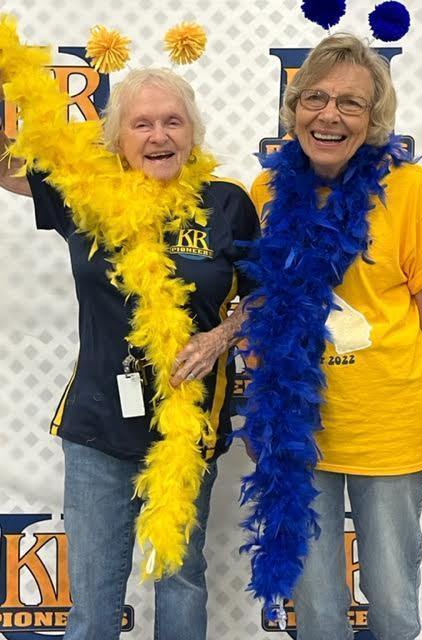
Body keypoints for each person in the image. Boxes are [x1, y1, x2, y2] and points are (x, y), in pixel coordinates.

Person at [0, 22, 259, 640]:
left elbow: (266, 296)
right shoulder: (85, 193)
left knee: (181, 580)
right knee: (92, 599)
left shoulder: (227, 203)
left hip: (187, 426)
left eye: (172, 121)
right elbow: (6, 166)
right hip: (97, 426)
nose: (158, 135)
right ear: (117, 138)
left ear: (192, 133)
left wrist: (221, 337)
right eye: (141, 124)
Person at [238, 33, 422, 640]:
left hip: (391, 424)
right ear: (294, 108)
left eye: (350, 103)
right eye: (315, 98)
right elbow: (263, 306)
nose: (329, 115)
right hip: (303, 431)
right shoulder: (265, 192)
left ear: (373, 119)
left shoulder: (409, 189)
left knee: (393, 604)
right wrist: (264, 417)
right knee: (318, 611)